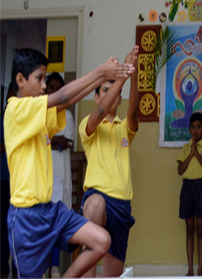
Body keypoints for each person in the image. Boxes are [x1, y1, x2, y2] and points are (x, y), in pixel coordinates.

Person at [6, 48, 131, 278]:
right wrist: (101, 71)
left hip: (50, 210)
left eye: (45, 79)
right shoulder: (15, 109)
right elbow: (63, 96)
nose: (44, 85)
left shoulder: (39, 115)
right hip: (26, 219)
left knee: (102, 241)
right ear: (20, 80)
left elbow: (68, 100)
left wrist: (111, 78)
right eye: (39, 79)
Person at [79, 46, 139, 277]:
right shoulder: (89, 125)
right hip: (98, 197)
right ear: (96, 97)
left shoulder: (125, 128)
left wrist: (131, 73)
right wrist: (121, 77)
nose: (111, 94)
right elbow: (102, 110)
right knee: (94, 205)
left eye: (114, 91)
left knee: (113, 275)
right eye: (106, 89)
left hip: (122, 206)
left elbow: (133, 113)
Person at [45, 72, 75, 277]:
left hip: (61, 179)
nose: (54, 91)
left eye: (58, 87)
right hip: (44, 178)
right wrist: (54, 140)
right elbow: (43, 142)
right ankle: (43, 268)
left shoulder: (68, 115)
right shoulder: (41, 114)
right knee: (43, 227)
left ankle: (55, 267)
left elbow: (65, 143)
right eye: (51, 88)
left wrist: (52, 139)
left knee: (56, 226)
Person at [177, 112, 202, 276]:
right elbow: (180, 170)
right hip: (187, 188)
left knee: (200, 229)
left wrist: (196, 153)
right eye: (193, 127)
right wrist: (190, 152)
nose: (196, 131)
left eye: (199, 127)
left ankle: (200, 269)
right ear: (189, 129)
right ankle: (190, 269)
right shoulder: (185, 148)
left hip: (201, 187)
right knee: (189, 229)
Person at [1, 81, 17, 278]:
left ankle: (13, 271)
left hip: (15, 181)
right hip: (3, 179)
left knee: (12, 228)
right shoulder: (4, 118)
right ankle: (4, 269)